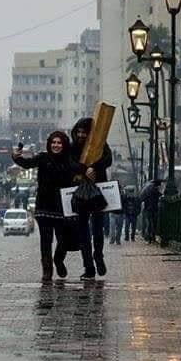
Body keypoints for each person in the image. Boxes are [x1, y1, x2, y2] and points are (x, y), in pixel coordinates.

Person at [12, 131, 83, 281]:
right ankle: (47, 269)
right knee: (46, 240)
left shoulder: (69, 160)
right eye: (53, 142)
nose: (56, 145)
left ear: (64, 144)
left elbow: (81, 169)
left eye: (59, 143)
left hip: (62, 207)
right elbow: (27, 163)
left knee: (63, 240)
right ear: (49, 144)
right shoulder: (43, 157)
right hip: (44, 206)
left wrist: (89, 170)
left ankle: (58, 260)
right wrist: (16, 157)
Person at [70, 117, 113, 280]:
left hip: (97, 191)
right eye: (79, 132)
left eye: (84, 132)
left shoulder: (100, 144)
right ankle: (88, 267)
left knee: (97, 228)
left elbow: (108, 159)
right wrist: (84, 169)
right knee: (83, 231)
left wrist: (94, 167)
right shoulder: (72, 147)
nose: (81, 135)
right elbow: (69, 163)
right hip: (80, 192)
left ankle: (98, 256)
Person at [140, 179, 162, 244]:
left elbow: (142, 198)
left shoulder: (147, 190)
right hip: (153, 209)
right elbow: (159, 195)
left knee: (149, 224)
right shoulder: (154, 190)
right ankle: (152, 237)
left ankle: (149, 238)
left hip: (148, 209)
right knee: (153, 224)